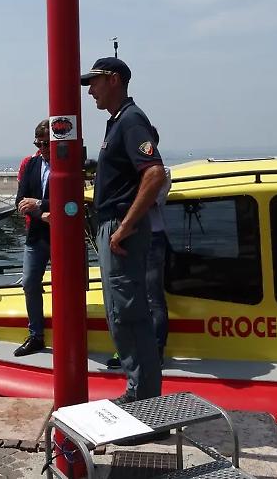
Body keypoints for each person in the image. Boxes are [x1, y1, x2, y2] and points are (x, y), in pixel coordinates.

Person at [83, 57, 166, 404]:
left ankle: (143, 398)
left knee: (128, 314)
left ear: (114, 80)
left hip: (120, 231)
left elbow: (154, 174)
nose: (90, 91)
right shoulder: (118, 122)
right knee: (121, 313)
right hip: (113, 227)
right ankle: (138, 391)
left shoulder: (130, 121)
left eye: (95, 82)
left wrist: (124, 228)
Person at [106, 125, 171, 369]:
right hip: (133, 235)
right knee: (128, 296)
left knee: (153, 298)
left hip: (151, 235)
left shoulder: (161, 172)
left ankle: (155, 351)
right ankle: (128, 350)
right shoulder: (135, 173)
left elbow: (150, 199)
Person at [13, 119, 51, 357]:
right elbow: (20, 200)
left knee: (68, 285)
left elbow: (73, 197)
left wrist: (41, 203)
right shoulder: (31, 165)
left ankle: (70, 329)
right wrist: (42, 213)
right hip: (37, 233)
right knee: (29, 282)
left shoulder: (69, 162)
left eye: (47, 143)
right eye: (40, 143)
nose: (44, 148)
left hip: (63, 235)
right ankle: (36, 334)